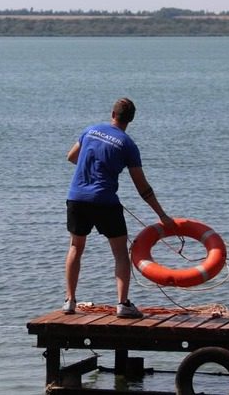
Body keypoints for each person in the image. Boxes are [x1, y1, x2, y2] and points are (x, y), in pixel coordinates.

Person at [63, 98, 175, 318]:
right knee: (121, 253)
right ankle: (123, 304)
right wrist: (162, 215)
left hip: (77, 198)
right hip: (105, 202)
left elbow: (71, 157)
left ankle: (69, 301)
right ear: (130, 119)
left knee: (76, 247)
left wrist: (93, 167)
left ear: (112, 113)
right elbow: (142, 188)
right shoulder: (128, 145)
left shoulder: (91, 130)